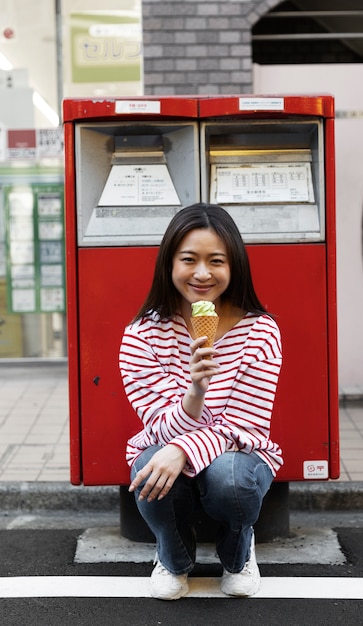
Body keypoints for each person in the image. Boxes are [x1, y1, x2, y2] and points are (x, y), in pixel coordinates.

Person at [119, 202, 283, 600]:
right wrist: (195, 392)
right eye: (189, 259)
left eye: (216, 261)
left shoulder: (260, 331)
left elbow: (244, 427)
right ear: (169, 263)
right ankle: (172, 558)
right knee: (149, 464)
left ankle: (238, 553)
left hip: (240, 455)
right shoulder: (140, 336)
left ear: (234, 266)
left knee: (230, 478)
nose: (203, 273)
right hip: (169, 447)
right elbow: (157, 426)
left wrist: (181, 449)